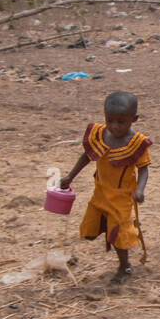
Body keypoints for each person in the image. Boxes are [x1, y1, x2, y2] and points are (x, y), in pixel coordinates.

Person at [59, 91, 151, 287]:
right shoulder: (100, 135)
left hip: (121, 197)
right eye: (110, 120)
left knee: (118, 234)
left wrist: (140, 190)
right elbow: (87, 156)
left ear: (133, 119)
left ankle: (124, 266)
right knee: (89, 231)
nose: (114, 126)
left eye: (121, 121)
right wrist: (70, 176)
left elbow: (143, 170)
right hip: (100, 193)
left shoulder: (136, 144)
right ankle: (110, 231)